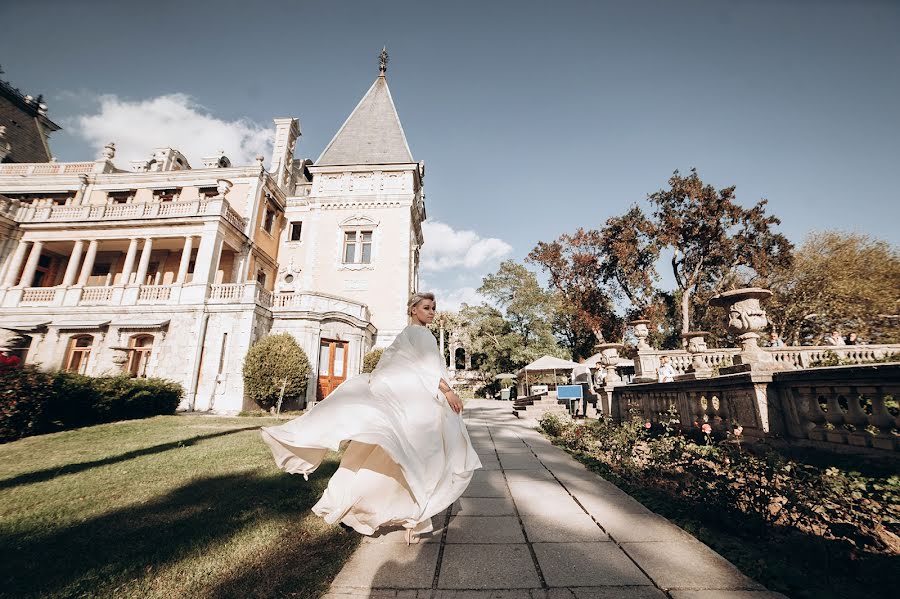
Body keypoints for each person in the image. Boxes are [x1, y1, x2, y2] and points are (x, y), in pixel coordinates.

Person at [260, 292, 481, 544]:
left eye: (433, 308)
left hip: (411, 401)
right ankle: (414, 517)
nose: (432, 312)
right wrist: (449, 391)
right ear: (413, 310)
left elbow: (388, 368)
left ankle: (369, 508)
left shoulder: (404, 335)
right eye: (427, 308)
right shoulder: (421, 335)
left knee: (392, 457)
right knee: (423, 459)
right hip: (421, 405)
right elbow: (429, 369)